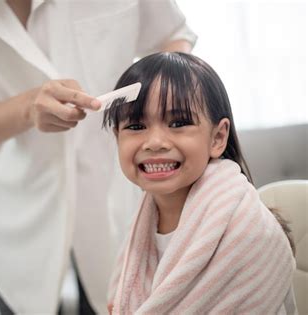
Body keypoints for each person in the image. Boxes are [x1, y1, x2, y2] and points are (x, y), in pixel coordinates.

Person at [0, 0, 197, 313]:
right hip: (16, 210)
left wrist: (163, 102)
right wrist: (27, 108)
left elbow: (172, 35)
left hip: (117, 195)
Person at [103, 52, 297, 314]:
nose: (155, 142)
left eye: (178, 122)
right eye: (136, 126)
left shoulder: (248, 230)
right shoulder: (141, 221)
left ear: (218, 137)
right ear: (117, 137)